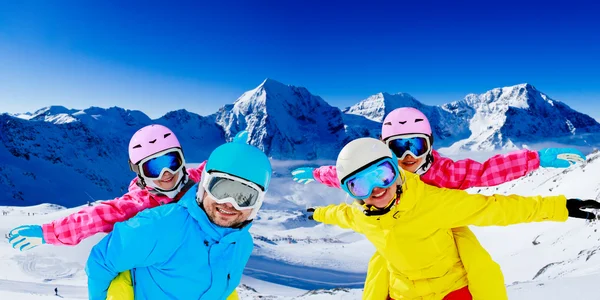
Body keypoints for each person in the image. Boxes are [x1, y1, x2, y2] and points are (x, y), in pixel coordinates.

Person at [292, 107, 586, 299]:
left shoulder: (442, 175)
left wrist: (536, 161)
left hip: (446, 230)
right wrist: (318, 180)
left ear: (430, 144)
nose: (409, 156)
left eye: (416, 145)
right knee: (379, 273)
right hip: (397, 244)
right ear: (384, 150)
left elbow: (488, 179)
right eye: (398, 148)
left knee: (481, 271)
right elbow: (346, 180)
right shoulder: (373, 182)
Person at [85, 137, 272, 300]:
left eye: (244, 197)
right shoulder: (159, 226)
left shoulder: (242, 244)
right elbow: (101, 262)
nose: (229, 204)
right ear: (204, 185)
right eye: (221, 189)